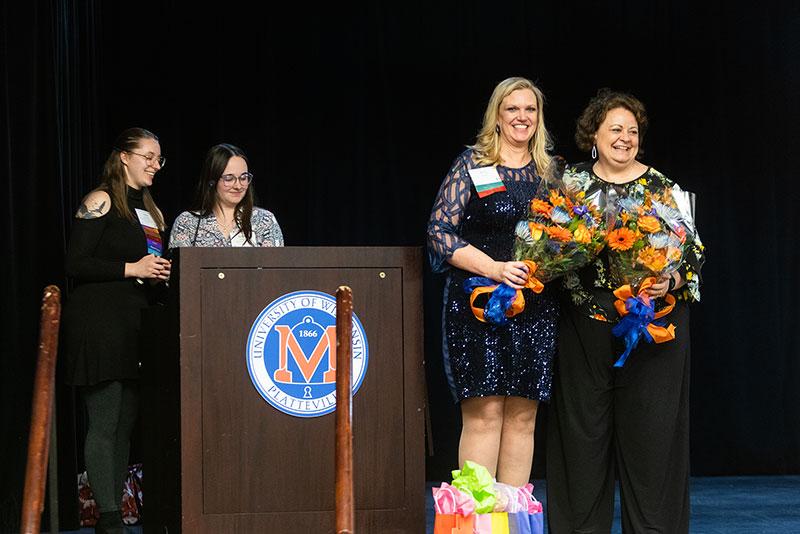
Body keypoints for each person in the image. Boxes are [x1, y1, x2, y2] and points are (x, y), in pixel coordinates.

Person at [546, 89, 705, 533]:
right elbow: (548, 247)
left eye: (632, 131)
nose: (624, 138)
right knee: (581, 443)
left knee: (653, 445)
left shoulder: (663, 188)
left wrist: (668, 280)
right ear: (593, 134)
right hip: (584, 326)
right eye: (615, 129)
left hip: (652, 329)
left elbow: (692, 255)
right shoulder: (570, 185)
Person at [426, 77, 558, 486]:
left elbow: (569, 235)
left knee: (523, 414)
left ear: (538, 118)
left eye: (530, 109)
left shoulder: (552, 171)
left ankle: (513, 523)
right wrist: (495, 268)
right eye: (513, 109)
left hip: (535, 306)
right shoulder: (473, 163)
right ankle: (478, 523)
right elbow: (439, 233)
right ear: (497, 116)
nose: (522, 117)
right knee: (485, 414)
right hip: (478, 304)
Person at [62, 128, 171, 534]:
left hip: (135, 323)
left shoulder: (153, 211)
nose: (154, 165)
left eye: (159, 159)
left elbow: (148, 265)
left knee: (126, 422)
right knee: (104, 420)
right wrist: (132, 269)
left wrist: (158, 274)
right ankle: (107, 516)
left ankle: (116, 515)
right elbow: (76, 263)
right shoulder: (101, 199)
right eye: (147, 156)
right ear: (124, 157)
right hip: (99, 324)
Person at [169, 143, 283, 248]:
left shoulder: (264, 220)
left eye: (243, 178)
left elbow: (275, 268)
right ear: (212, 181)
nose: (238, 186)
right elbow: (180, 268)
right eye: (229, 179)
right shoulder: (187, 223)